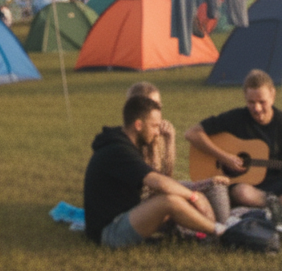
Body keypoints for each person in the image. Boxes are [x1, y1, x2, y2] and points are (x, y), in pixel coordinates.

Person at [184, 69, 282, 215]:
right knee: (241, 192)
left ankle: (276, 207)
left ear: (273, 95)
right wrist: (225, 158)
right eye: (251, 102)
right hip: (247, 188)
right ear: (245, 97)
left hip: (276, 185)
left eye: (262, 102)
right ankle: (280, 207)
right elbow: (192, 133)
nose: (257, 108)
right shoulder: (235, 118)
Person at [83, 95, 219, 248]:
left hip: (124, 216)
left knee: (174, 195)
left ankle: (205, 233)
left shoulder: (122, 141)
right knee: (169, 202)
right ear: (138, 125)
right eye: (154, 126)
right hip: (109, 233)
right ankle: (220, 232)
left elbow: (164, 180)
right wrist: (194, 196)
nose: (157, 132)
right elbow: (158, 181)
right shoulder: (119, 150)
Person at [125, 81, 229, 222]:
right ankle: (215, 228)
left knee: (216, 184)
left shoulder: (155, 132)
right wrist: (192, 192)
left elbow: (168, 176)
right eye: (153, 104)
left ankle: (222, 225)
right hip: (146, 204)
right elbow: (157, 187)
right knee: (202, 192)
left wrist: (169, 141)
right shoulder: (132, 141)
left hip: (160, 193)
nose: (159, 108)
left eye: (159, 104)